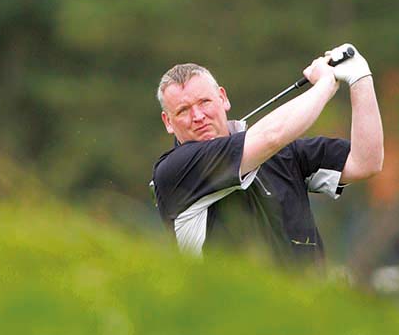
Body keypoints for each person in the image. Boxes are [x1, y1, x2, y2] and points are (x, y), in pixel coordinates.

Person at [151, 44, 383, 265]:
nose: (198, 116)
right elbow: (272, 136)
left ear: (223, 98)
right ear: (168, 122)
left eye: (204, 102)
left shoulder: (283, 154)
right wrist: (325, 84)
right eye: (183, 110)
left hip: (310, 304)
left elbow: (366, 162)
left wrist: (359, 78)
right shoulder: (174, 173)